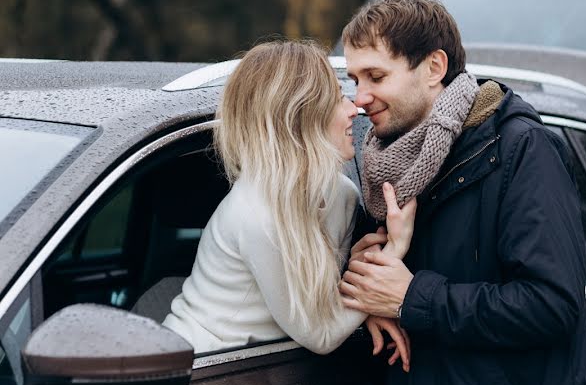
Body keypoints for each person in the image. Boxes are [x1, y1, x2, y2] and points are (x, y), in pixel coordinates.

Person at [339, 0, 586, 385]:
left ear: (433, 67)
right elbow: (392, 290)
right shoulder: (389, 168)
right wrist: (365, 284)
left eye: (376, 77)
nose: (359, 98)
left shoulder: (521, 150)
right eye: (354, 78)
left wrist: (410, 298)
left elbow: (552, 305)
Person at [162, 39, 412, 367]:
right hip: (199, 376)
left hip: (262, 376)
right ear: (302, 119)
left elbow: (325, 302)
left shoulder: (343, 194)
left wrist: (364, 306)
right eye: (338, 100)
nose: (355, 108)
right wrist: (394, 250)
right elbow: (321, 334)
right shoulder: (255, 215)